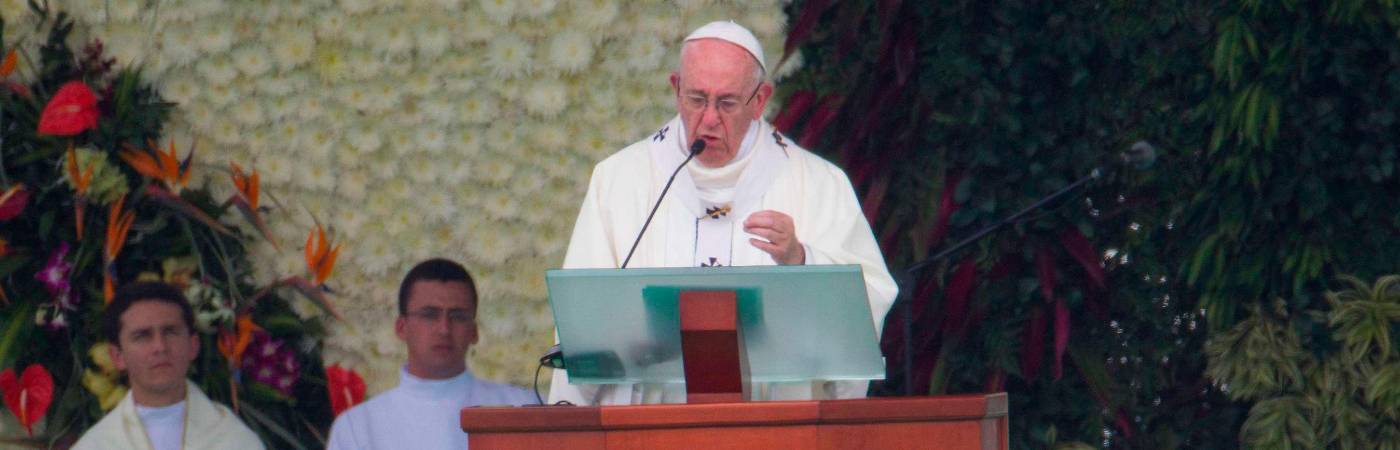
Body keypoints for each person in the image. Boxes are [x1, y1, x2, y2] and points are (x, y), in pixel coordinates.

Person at [549, 20, 898, 405]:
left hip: (774, 429)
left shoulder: (816, 182)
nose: (710, 119)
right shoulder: (620, 179)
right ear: (675, 88)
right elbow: (582, 321)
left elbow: (869, 297)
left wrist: (801, 260)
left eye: (727, 102)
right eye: (696, 99)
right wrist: (568, 422)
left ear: (760, 100)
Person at [327, 258, 537, 450]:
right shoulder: (359, 428)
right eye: (429, 315)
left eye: (457, 316)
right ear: (401, 327)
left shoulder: (525, 411)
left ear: (474, 331)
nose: (444, 328)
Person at [74, 282, 264, 450]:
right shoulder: (98, 444)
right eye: (142, 336)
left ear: (193, 346)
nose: (160, 347)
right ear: (117, 356)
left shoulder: (234, 440)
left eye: (170, 332)